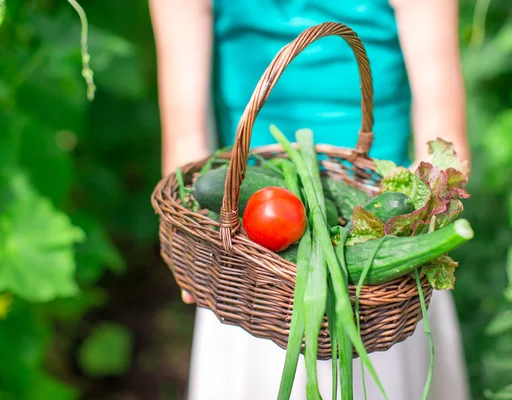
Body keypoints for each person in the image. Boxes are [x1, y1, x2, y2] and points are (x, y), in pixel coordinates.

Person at [149, 0, 471, 398]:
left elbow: (443, 131)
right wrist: (198, 246)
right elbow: (185, 132)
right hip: (249, 259)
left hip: (382, 240)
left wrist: (421, 227)